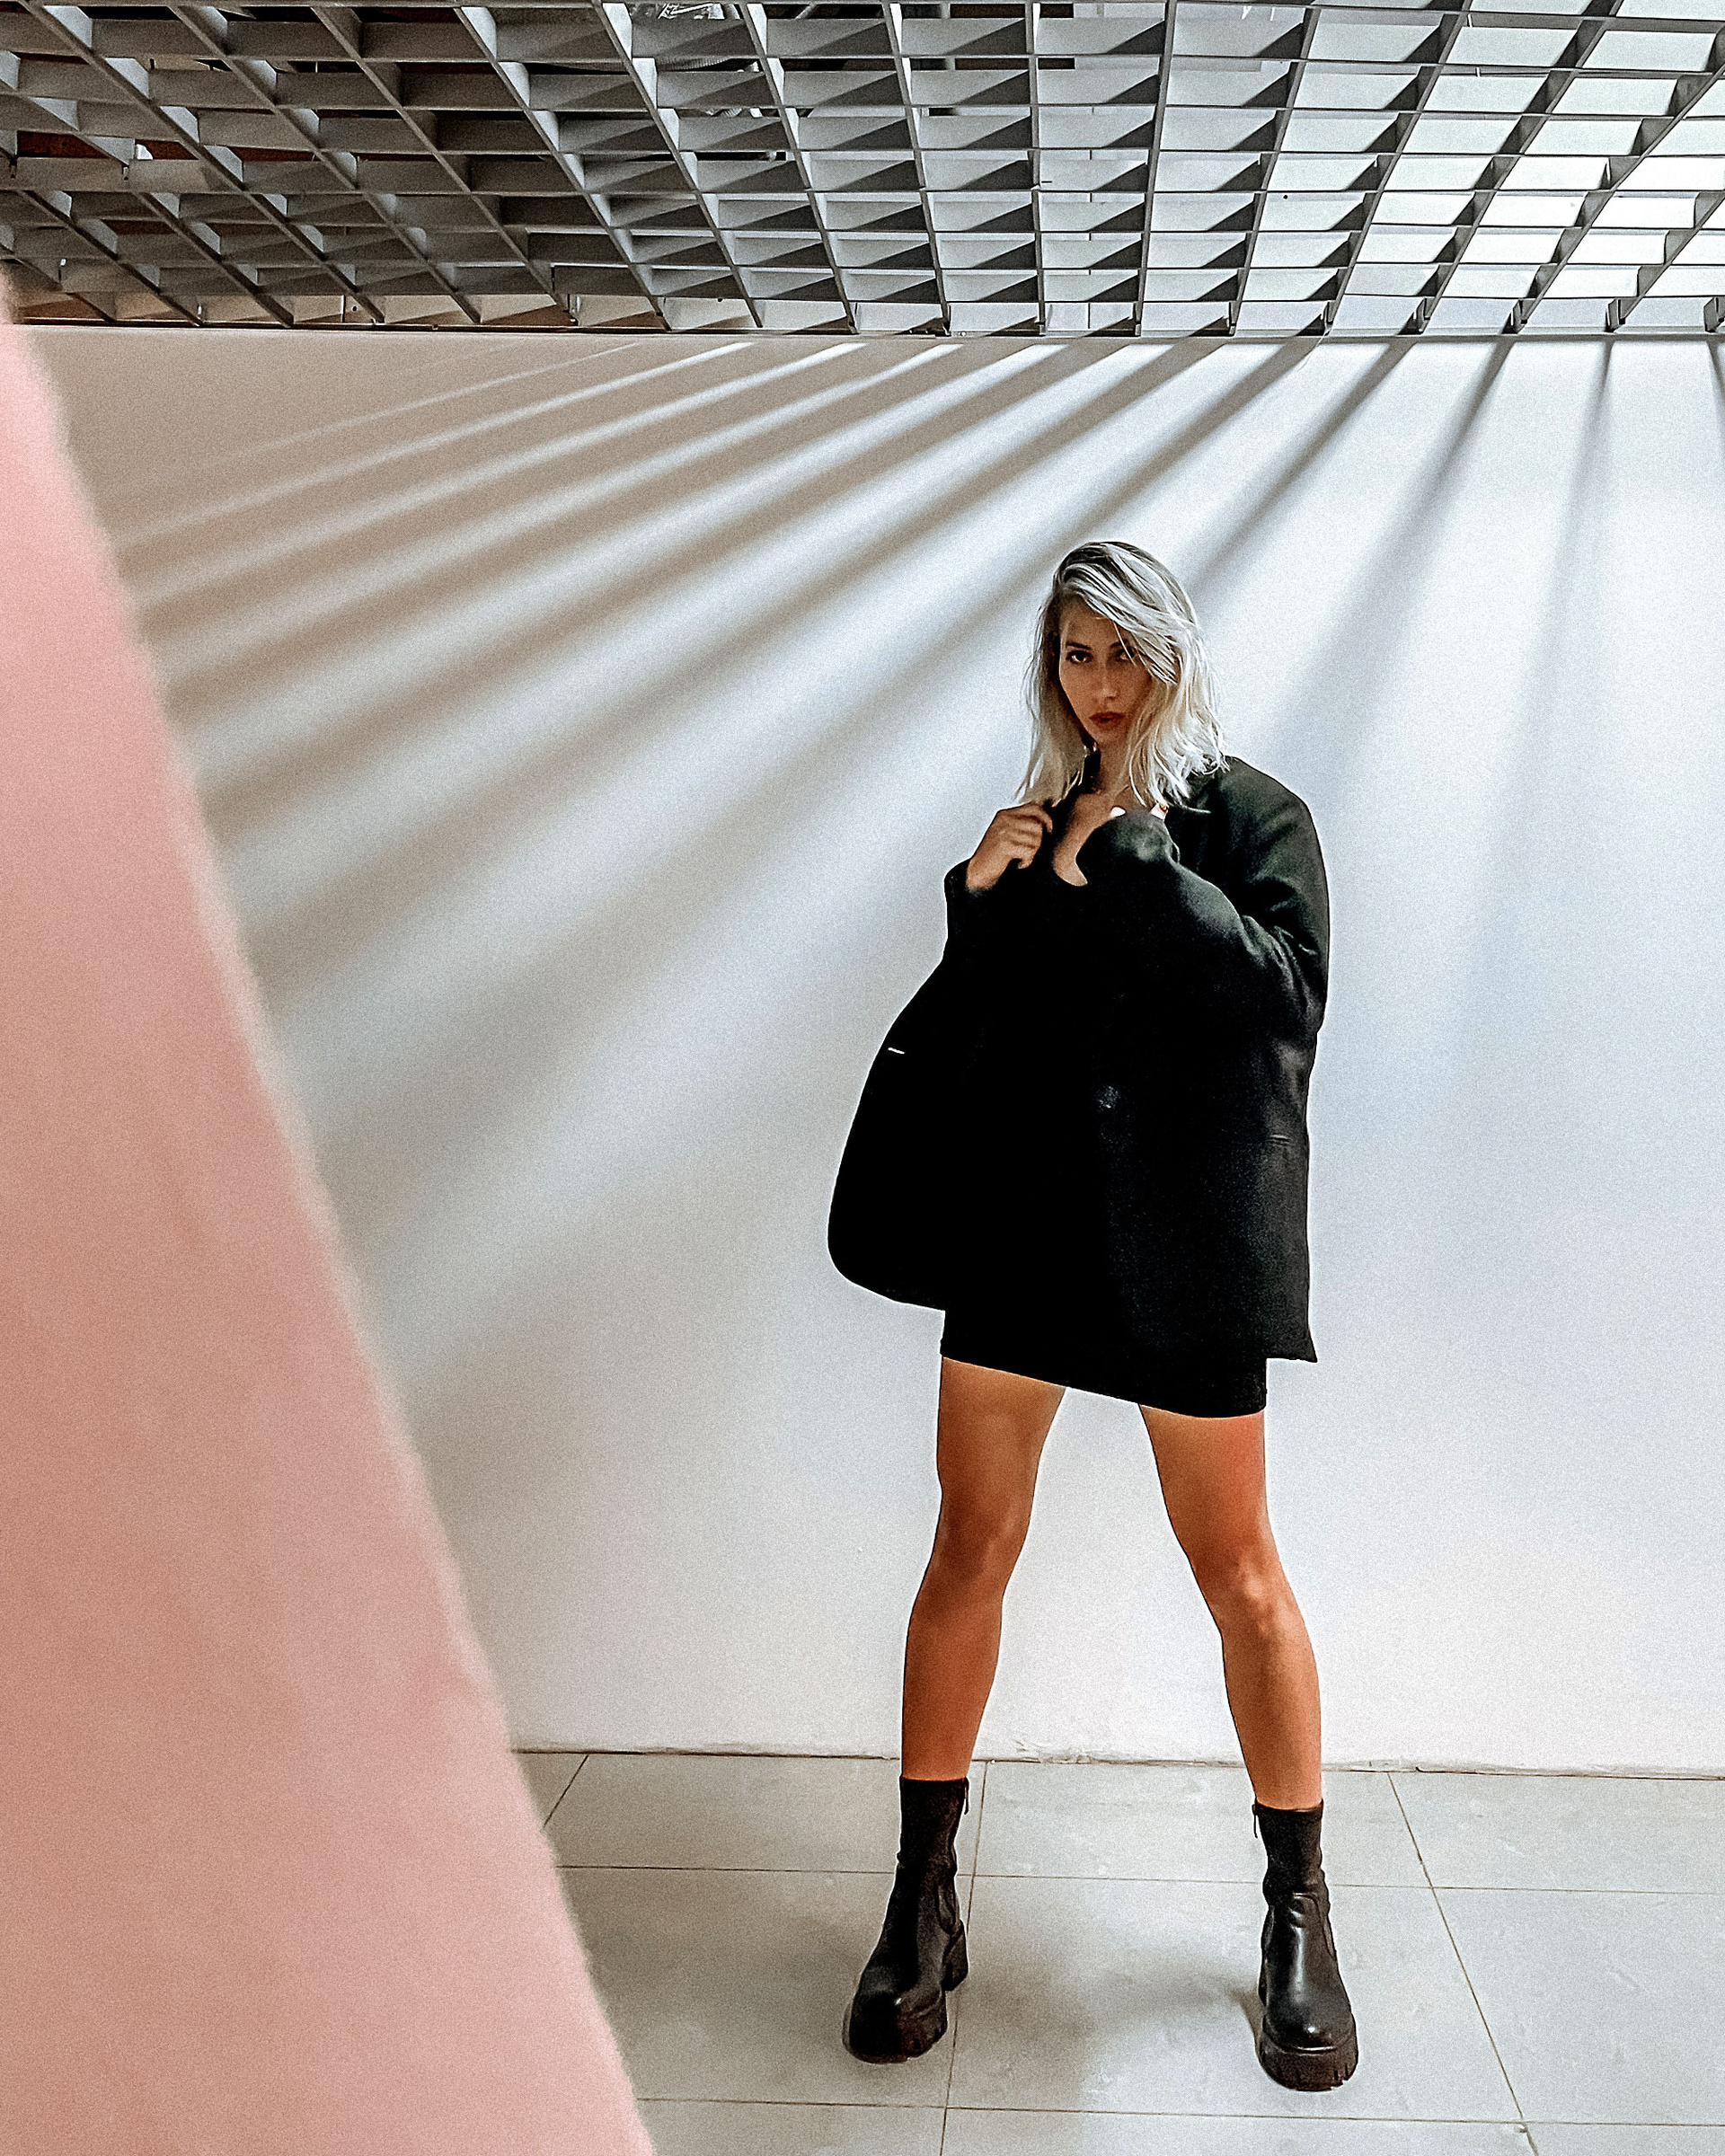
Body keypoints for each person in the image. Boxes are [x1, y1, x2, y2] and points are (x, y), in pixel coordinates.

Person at [838, 539, 1356, 2092]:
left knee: (1240, 1573)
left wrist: (1131, 859)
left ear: (1172, 656)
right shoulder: (1032, 816)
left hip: (1186, 1258)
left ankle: (1299, 1913)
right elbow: (988, 1035)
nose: (1102, 685)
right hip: (1028, 1242)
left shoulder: (1254, 818)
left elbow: (1284, 1000)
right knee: (967, 1547)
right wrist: (980, 899)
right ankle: (922, 1899)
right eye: (1076, 655)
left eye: (1125, 652)